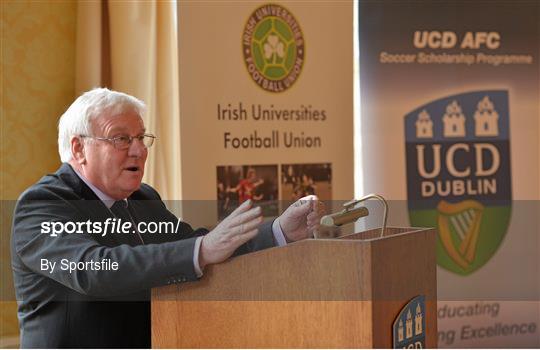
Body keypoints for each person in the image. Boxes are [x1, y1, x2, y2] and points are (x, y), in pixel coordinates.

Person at [11, 88, 325, 348]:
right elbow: (92, 269)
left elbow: (198, 246)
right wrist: (201, 249)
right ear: (79, 148)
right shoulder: (42, 205)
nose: (138, 150)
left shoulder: (142, 199)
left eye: (141, 138)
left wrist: (280, 231)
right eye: (121, 139)